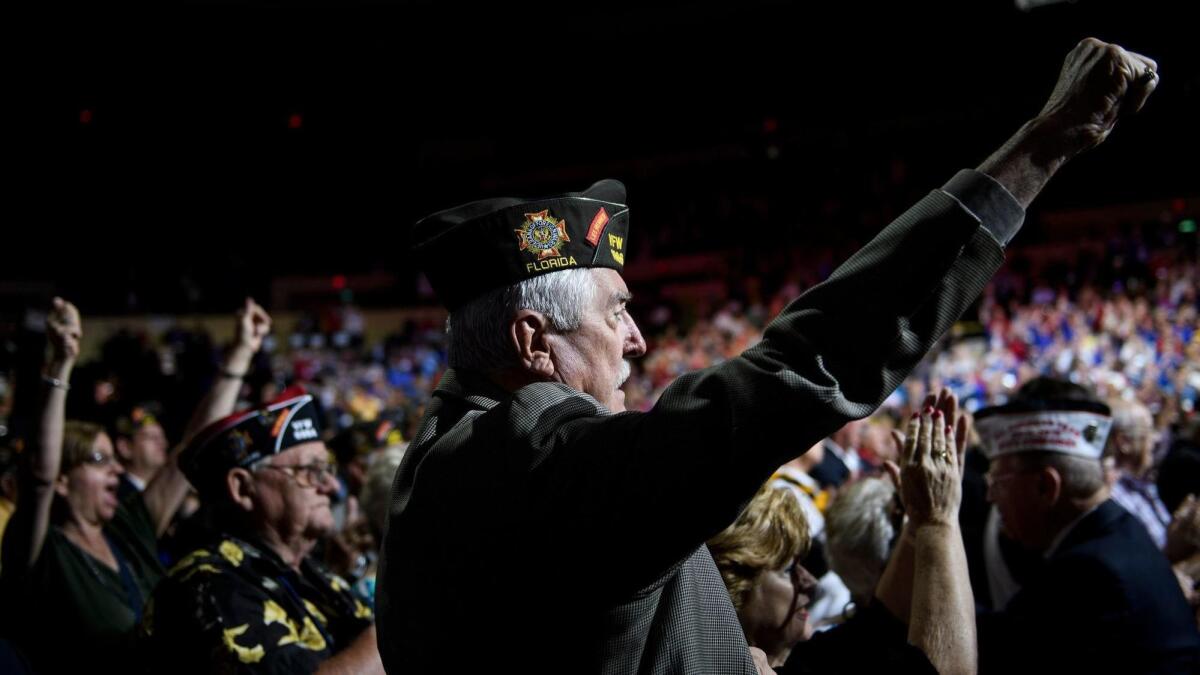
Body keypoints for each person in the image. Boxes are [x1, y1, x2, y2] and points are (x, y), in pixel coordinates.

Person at [376, 38, 1159, 674]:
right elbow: (800, 367)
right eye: (617, 312)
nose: (638, 338)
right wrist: (1035, 154)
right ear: (532, 341)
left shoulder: (450, 463)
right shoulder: (528, 463)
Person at [0, 299, 193, 672]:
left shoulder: (123, 528)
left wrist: (240, 356)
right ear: (62, 478)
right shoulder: (39, 551)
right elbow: (38, 476)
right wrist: (60, 364)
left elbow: (188, 457)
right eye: (100, 460)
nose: (117, 471)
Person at [139, 389, 384, 674]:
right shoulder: (208, 585)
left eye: (328, 470)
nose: (332, 486)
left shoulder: (310, 572)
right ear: (243, 488)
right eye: (310, 471)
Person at [974, 383, 1200, 674]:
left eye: (998, 482)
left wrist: (935, 527)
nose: (991, 496)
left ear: (1046, 487)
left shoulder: (1088, 569)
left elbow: (992, 652)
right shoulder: (1121, 528)